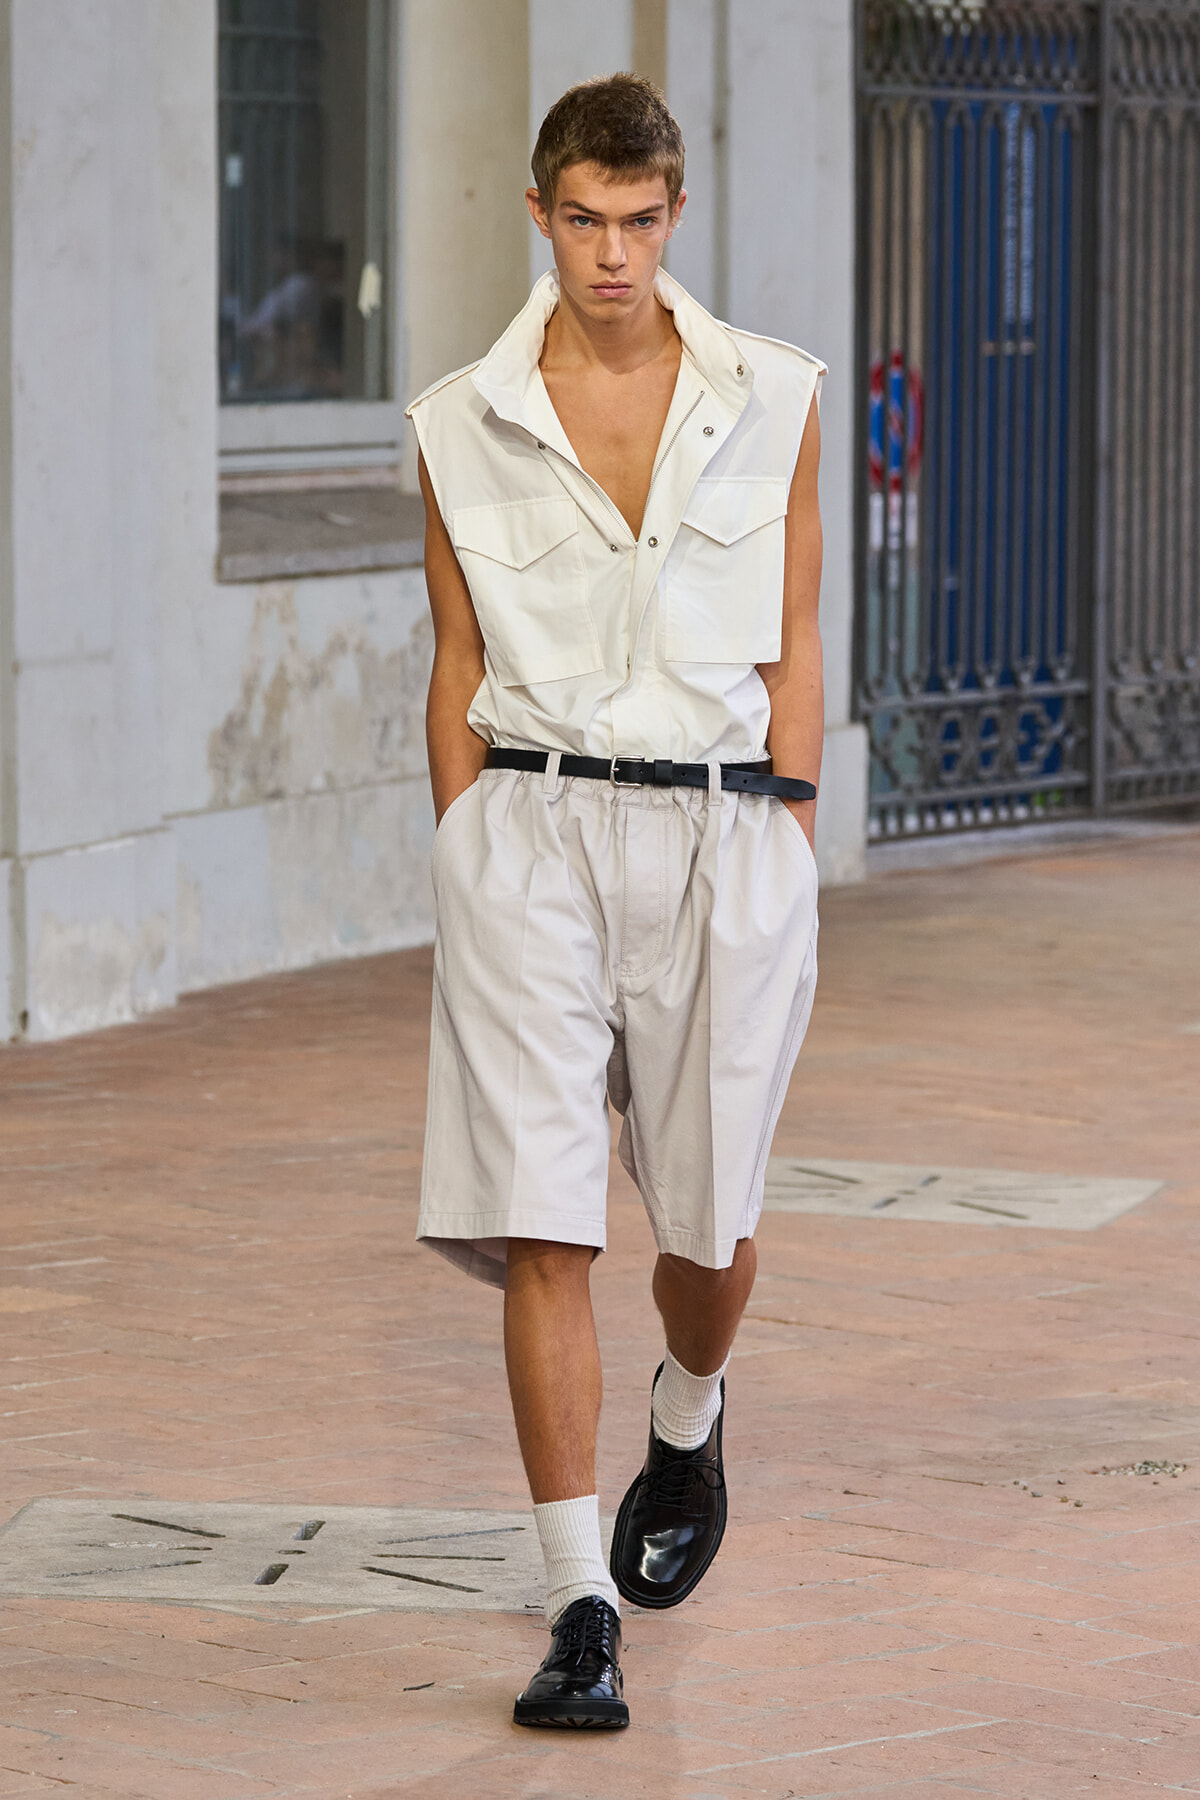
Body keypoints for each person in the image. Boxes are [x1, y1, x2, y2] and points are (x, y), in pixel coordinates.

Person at [406, 74, 823, 1730]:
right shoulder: (456, 421)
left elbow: (795, 638)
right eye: (584, 220)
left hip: (728, 843)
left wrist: (790, 835)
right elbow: (451, 657)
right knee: (545, 1216)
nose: (613, 255)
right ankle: (578, 1599)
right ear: (540, 215)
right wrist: (466, 844)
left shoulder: (771, 397)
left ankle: (693, 1404)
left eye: (641, 221)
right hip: (533, 834)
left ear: (673, 216)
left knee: (706, 1230)